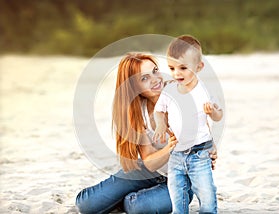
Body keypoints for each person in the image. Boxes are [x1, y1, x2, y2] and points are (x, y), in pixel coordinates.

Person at [75, 52, 218, 214]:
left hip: (181, 176)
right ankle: (122, 197)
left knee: (137, 207)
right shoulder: (137, 112)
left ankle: (126, 200)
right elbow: (149, 162)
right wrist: (171, 146)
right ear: (134, 87)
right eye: (144, 78)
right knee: (86, 205)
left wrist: (209, 149)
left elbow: (204, 127)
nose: (155, 80)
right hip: (149, 170)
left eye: (155, 71)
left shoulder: (180, 92)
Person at [153, 35, 223, 214]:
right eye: (172, 68)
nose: (177, 73)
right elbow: (159, 110)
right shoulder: (169, 91)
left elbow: (218, 115)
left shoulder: (204, 91)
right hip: (176, 154)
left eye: (183, 68)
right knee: (177, 193)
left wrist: (212, 112)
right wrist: (161, 124)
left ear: (199, 67)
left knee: (206, 193)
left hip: (200, 153)